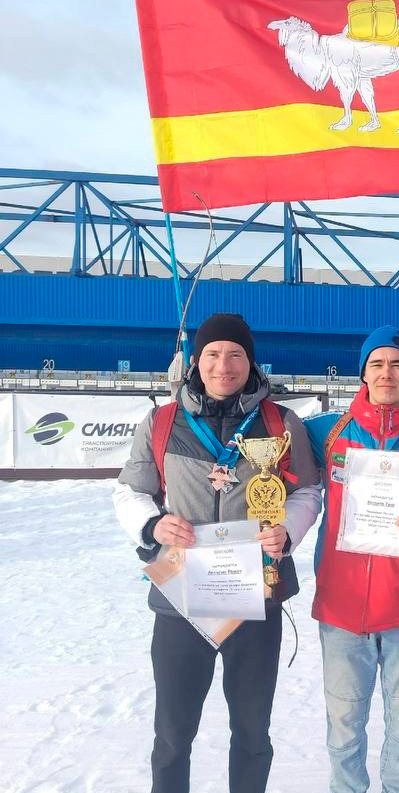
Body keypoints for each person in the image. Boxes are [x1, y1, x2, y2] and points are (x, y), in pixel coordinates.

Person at [112, 312, 320, 793]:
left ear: (250, 362)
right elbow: (129, 490)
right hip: (181, 600)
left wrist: (286, 532)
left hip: (255, 599)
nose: (223, 365)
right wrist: (152, 523)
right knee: (172, 734)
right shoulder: (162, 421)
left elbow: (307, 493)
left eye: (234, 355)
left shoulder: (279, 421)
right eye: (212, 354)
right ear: (195, 362)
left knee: (252, 734)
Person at [303, 325, 399, 793]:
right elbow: (269, 460)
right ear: (363, 374)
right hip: (342, 606)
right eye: (377, 364)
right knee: (344, 725)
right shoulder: (325, 432)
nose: (386, 372)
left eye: (396, 364)